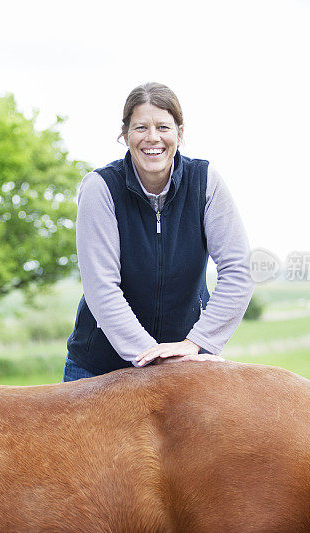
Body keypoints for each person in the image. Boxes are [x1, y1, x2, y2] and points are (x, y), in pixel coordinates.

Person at [63, 82, 254, 382]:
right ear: (124, 135)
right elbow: (102, 287)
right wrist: (152, 357)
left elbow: (239, 270)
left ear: (180, 133)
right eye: (140, 127)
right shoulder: (100, 188)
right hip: (99, 367)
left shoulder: (205, 182)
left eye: (163, 126)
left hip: (186, 363)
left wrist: (196, 344)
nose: (153, 138)